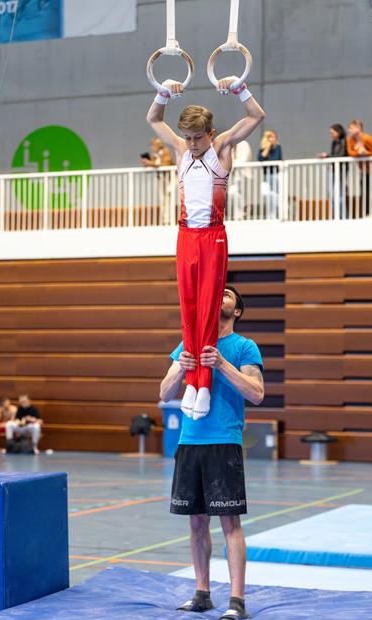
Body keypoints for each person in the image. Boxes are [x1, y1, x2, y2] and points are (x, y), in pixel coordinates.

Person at [146, 76, 265, 420]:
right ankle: (193, 384)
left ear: (211, 133)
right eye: (188, 137)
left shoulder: (223, 147)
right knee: (189, 308)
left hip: (212, 236)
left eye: (199, 137)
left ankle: (205, 381)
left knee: (208, 309)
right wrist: (163, 93)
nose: (193, 144)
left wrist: (239, 88)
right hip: (185, 236)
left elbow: (257, 116)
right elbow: (154, 118)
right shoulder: (181, 150)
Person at [160, 286, 265, 620]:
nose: (220, 298)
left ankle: (237, 600)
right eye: (218, 294)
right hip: (189, 443)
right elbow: (164, 393)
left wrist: (221, 364)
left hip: (223, 442)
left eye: (228, 296)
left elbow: (257, 393)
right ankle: (202, 593)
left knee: (229, 523)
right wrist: (180, 367)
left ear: (237, 311)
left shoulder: (244, 347)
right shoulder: (187, 344)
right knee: (196, 524)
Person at [347, 120, 372, 217]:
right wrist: (359, 153)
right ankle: (367, 213)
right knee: (364, 192)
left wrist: (365, 153)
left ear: (358, 128)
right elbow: (350, 153)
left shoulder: (368, 139)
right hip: (364, 170)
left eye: (351, 128)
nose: (349, 130)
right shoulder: (350, 140)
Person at [320, 124, 347, 218]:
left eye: (333, 132)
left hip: (340, 170)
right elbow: (333, 154)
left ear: (339, 132)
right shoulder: (334, 142)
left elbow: (342, 155)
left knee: (339, 194)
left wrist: (327, 156)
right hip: (332, 170)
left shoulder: (344, 141)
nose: (331, 134)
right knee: (331, 194)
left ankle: (343, 216)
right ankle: (336, 215)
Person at [257, 130, 283, 218]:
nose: (274, 139)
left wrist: (266, 159)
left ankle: (273, 215)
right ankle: (270, 214)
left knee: (275, 194)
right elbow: (260, 159)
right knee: (266, 194)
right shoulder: (263, 148)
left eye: (275, 137)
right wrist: (267, 148)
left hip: (274, 175)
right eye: (271, 137)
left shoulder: (277, 147)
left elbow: (276, 159)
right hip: (265, 175)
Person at [228, 140, 253, 220]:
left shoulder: (244, 144)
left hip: (245, 175)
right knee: (233, 192)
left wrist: (233, 163)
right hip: (235, 175)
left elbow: (244, 159)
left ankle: (244, 210)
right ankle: (238, 215)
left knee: (244, 195)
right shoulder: (231, 147)